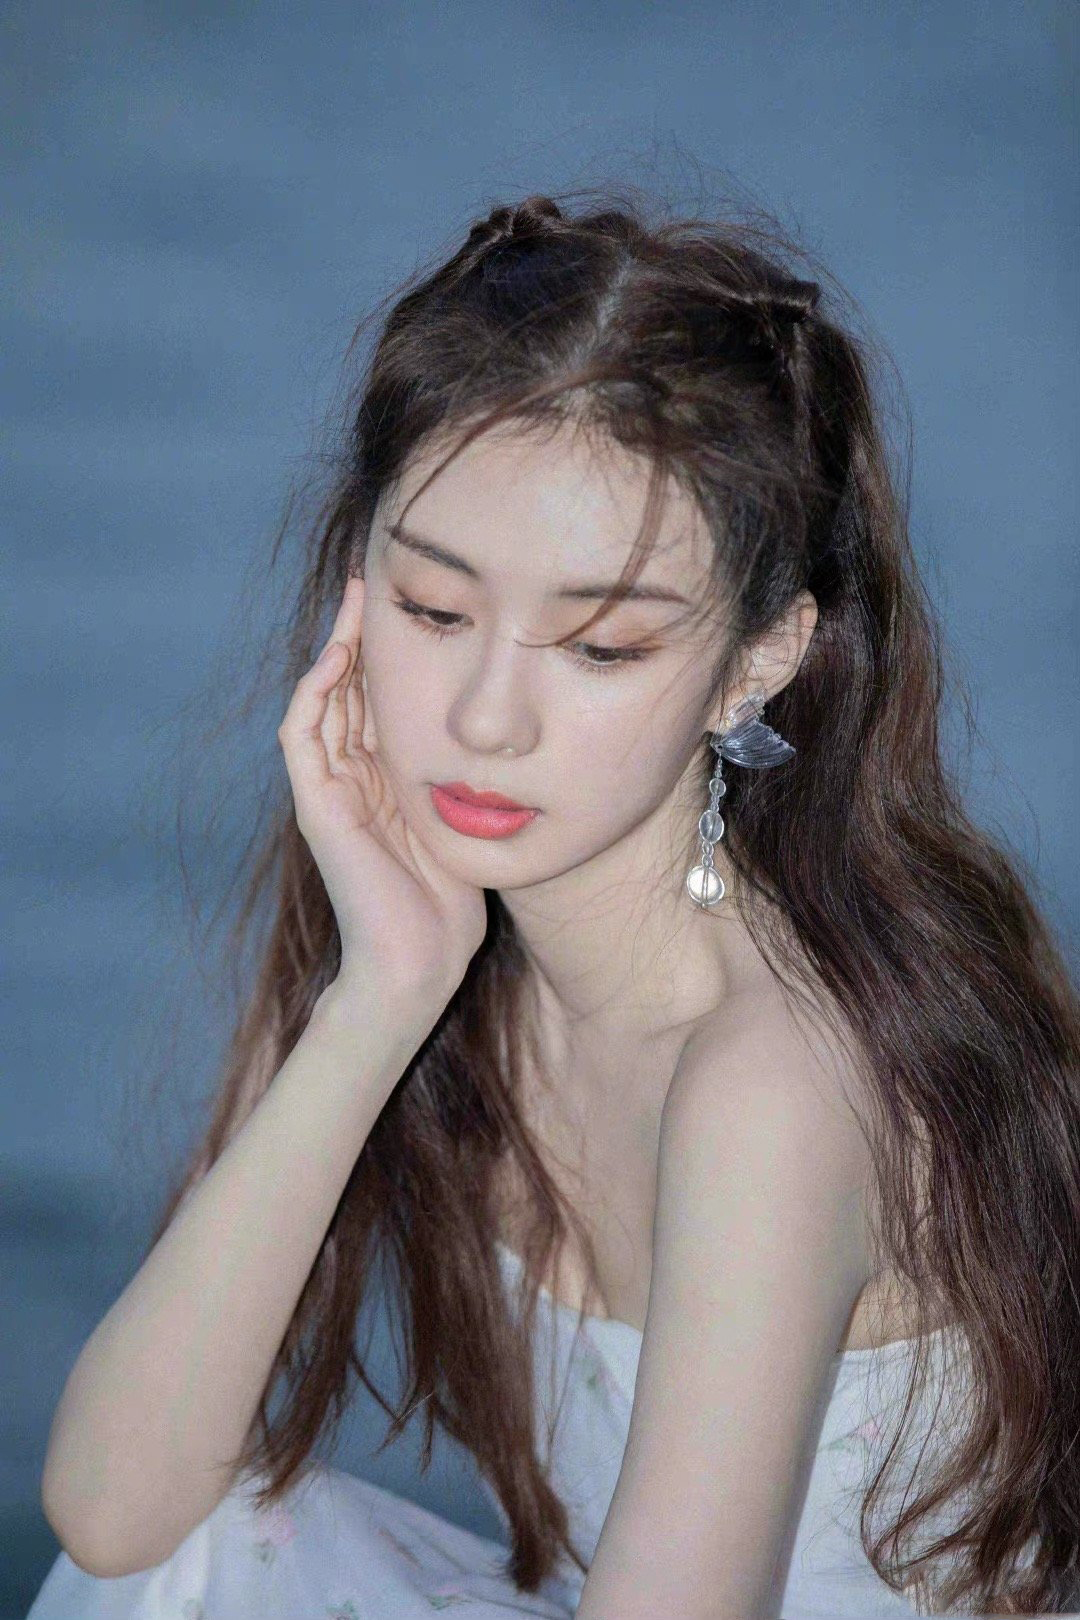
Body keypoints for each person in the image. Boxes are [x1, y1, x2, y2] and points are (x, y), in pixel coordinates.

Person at [29, 189, 1080, 1619]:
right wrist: (379, 998)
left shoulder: (778, 1081)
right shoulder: (424, 940)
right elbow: (116, 1512)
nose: (485, 719)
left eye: (600, 646)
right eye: (434, 611)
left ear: (756, 663)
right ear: (356, 588)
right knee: (199, 1555)